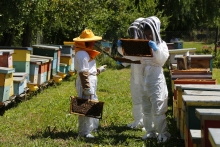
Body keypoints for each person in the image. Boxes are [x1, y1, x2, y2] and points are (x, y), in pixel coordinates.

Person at [139, 16, 171, 143]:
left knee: (158, 106)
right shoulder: (144, 44)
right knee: (146, 107)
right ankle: (150, 132)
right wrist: (122, 48)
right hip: (144, 77)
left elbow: (162, 60)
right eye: (146, 34)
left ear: (155, 32)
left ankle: (163, 133)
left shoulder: (161, 45)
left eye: (150, 34)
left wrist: (156, 50)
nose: (148, 37)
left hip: (156, 78)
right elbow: (137, 58)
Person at [73, 29, 107, 138]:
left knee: (93, 104)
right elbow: (83, 72)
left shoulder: (84, 53)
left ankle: (92, 128)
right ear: (85, 43)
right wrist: (86, 87)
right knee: (85, 106)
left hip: (89, 81)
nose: (93, 44)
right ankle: (84, 132)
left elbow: (89, 70)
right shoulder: (82, 54)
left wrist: (99, 70)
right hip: (86, 83)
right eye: (91, 41)